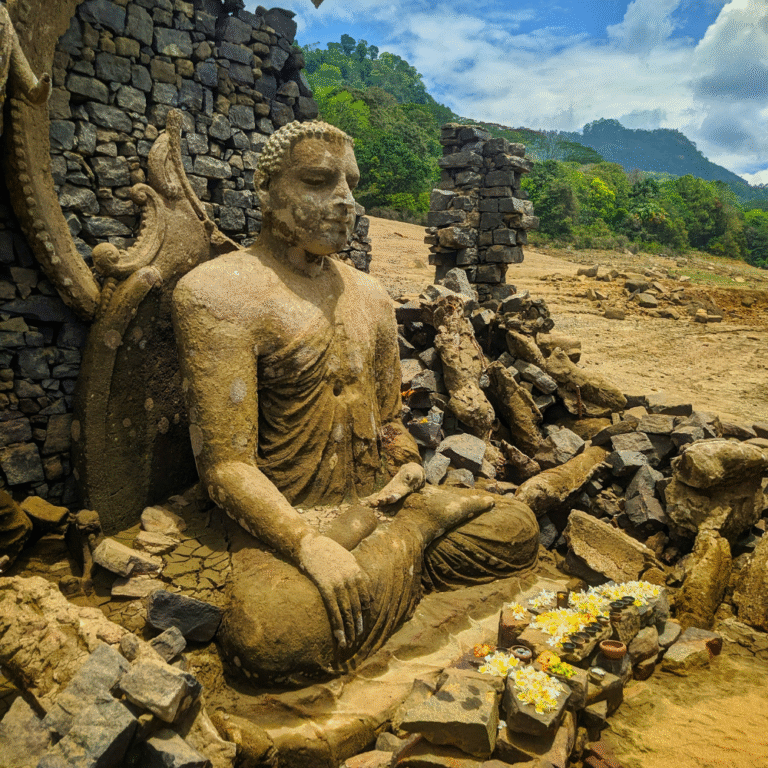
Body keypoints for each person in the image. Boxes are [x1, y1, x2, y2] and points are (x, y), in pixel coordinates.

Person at [172, 121, 538, 681]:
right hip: (291, 519)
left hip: (381, 501)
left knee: (516, 526)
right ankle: (410, 550)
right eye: (319, 181)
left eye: (350, 184)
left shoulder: (369, 296)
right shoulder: (218, 293)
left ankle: (399, 545)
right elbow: (225, 466)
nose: (345, 201)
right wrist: (307, 546)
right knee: (276, 637)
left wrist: (408, 466)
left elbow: (389, 417)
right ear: (265, 190)